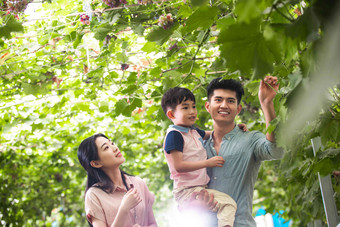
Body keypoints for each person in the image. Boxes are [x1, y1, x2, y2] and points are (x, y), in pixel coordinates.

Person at [204, 76, 284, 226]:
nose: (224, 105)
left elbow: (277, 150)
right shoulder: (197, 145)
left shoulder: (250, 139)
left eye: (231, 101)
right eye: (218, 100)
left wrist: (267, 104)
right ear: (208, 106)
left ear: (238, 109)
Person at [161, 87, 247, 227]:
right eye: (185, 107)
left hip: (198, 189)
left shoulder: (193, 131)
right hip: (187, 191)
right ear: (171, 114)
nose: (192, 111)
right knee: (228, 204)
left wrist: (236, 129)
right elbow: (178, 166)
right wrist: (207, 163)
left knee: (217, 211)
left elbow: (215, 133)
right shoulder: (174, 135)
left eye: (193, 106)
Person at [77, 133, 158, 227]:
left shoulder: (138, 183)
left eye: (112, 143)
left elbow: (152, 223)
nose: (115, 148)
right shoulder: (94, 195)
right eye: (106, 148)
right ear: (96, 163)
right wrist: (124, 209)